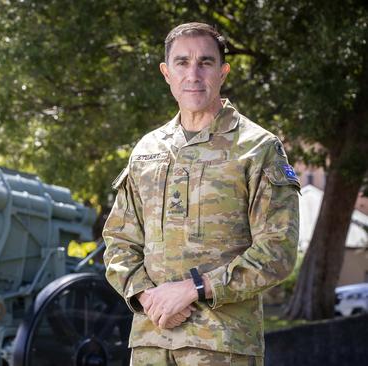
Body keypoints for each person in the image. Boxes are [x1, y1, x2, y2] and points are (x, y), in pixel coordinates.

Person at [102, 22, 300, 366]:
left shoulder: (258, 148)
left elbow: (278, 250)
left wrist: (193, 289)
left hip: (223, 345)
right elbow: (119, 240)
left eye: (205, 62)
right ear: (166, 73)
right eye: (182, 63)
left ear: (222, 72)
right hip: (151, 343)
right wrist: (147, 296)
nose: (193, 73)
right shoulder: (147, 150)